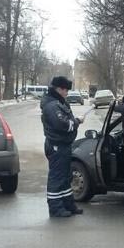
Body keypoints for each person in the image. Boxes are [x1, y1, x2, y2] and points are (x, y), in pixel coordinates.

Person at [41, 76, 84, 218]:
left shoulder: (58, 102)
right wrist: (76, 122)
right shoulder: (52, 105)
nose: (67, 93)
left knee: (66, 177)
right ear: (58, 89)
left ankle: (68, 204)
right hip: (56, 146)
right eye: (65, 90)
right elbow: (63, 124)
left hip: (63, 145)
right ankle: (55, 208)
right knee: (57, 177)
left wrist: (73, 121)